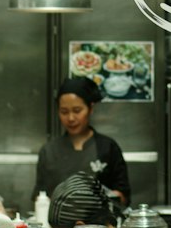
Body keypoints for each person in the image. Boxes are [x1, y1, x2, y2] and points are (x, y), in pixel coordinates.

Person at [33, 76, 131, 214]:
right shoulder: (49, 151)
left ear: (90, 108)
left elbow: (123, 196)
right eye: (64, 112)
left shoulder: (108, 147)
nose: (71, 118)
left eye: (77, 110)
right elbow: (40, 196)